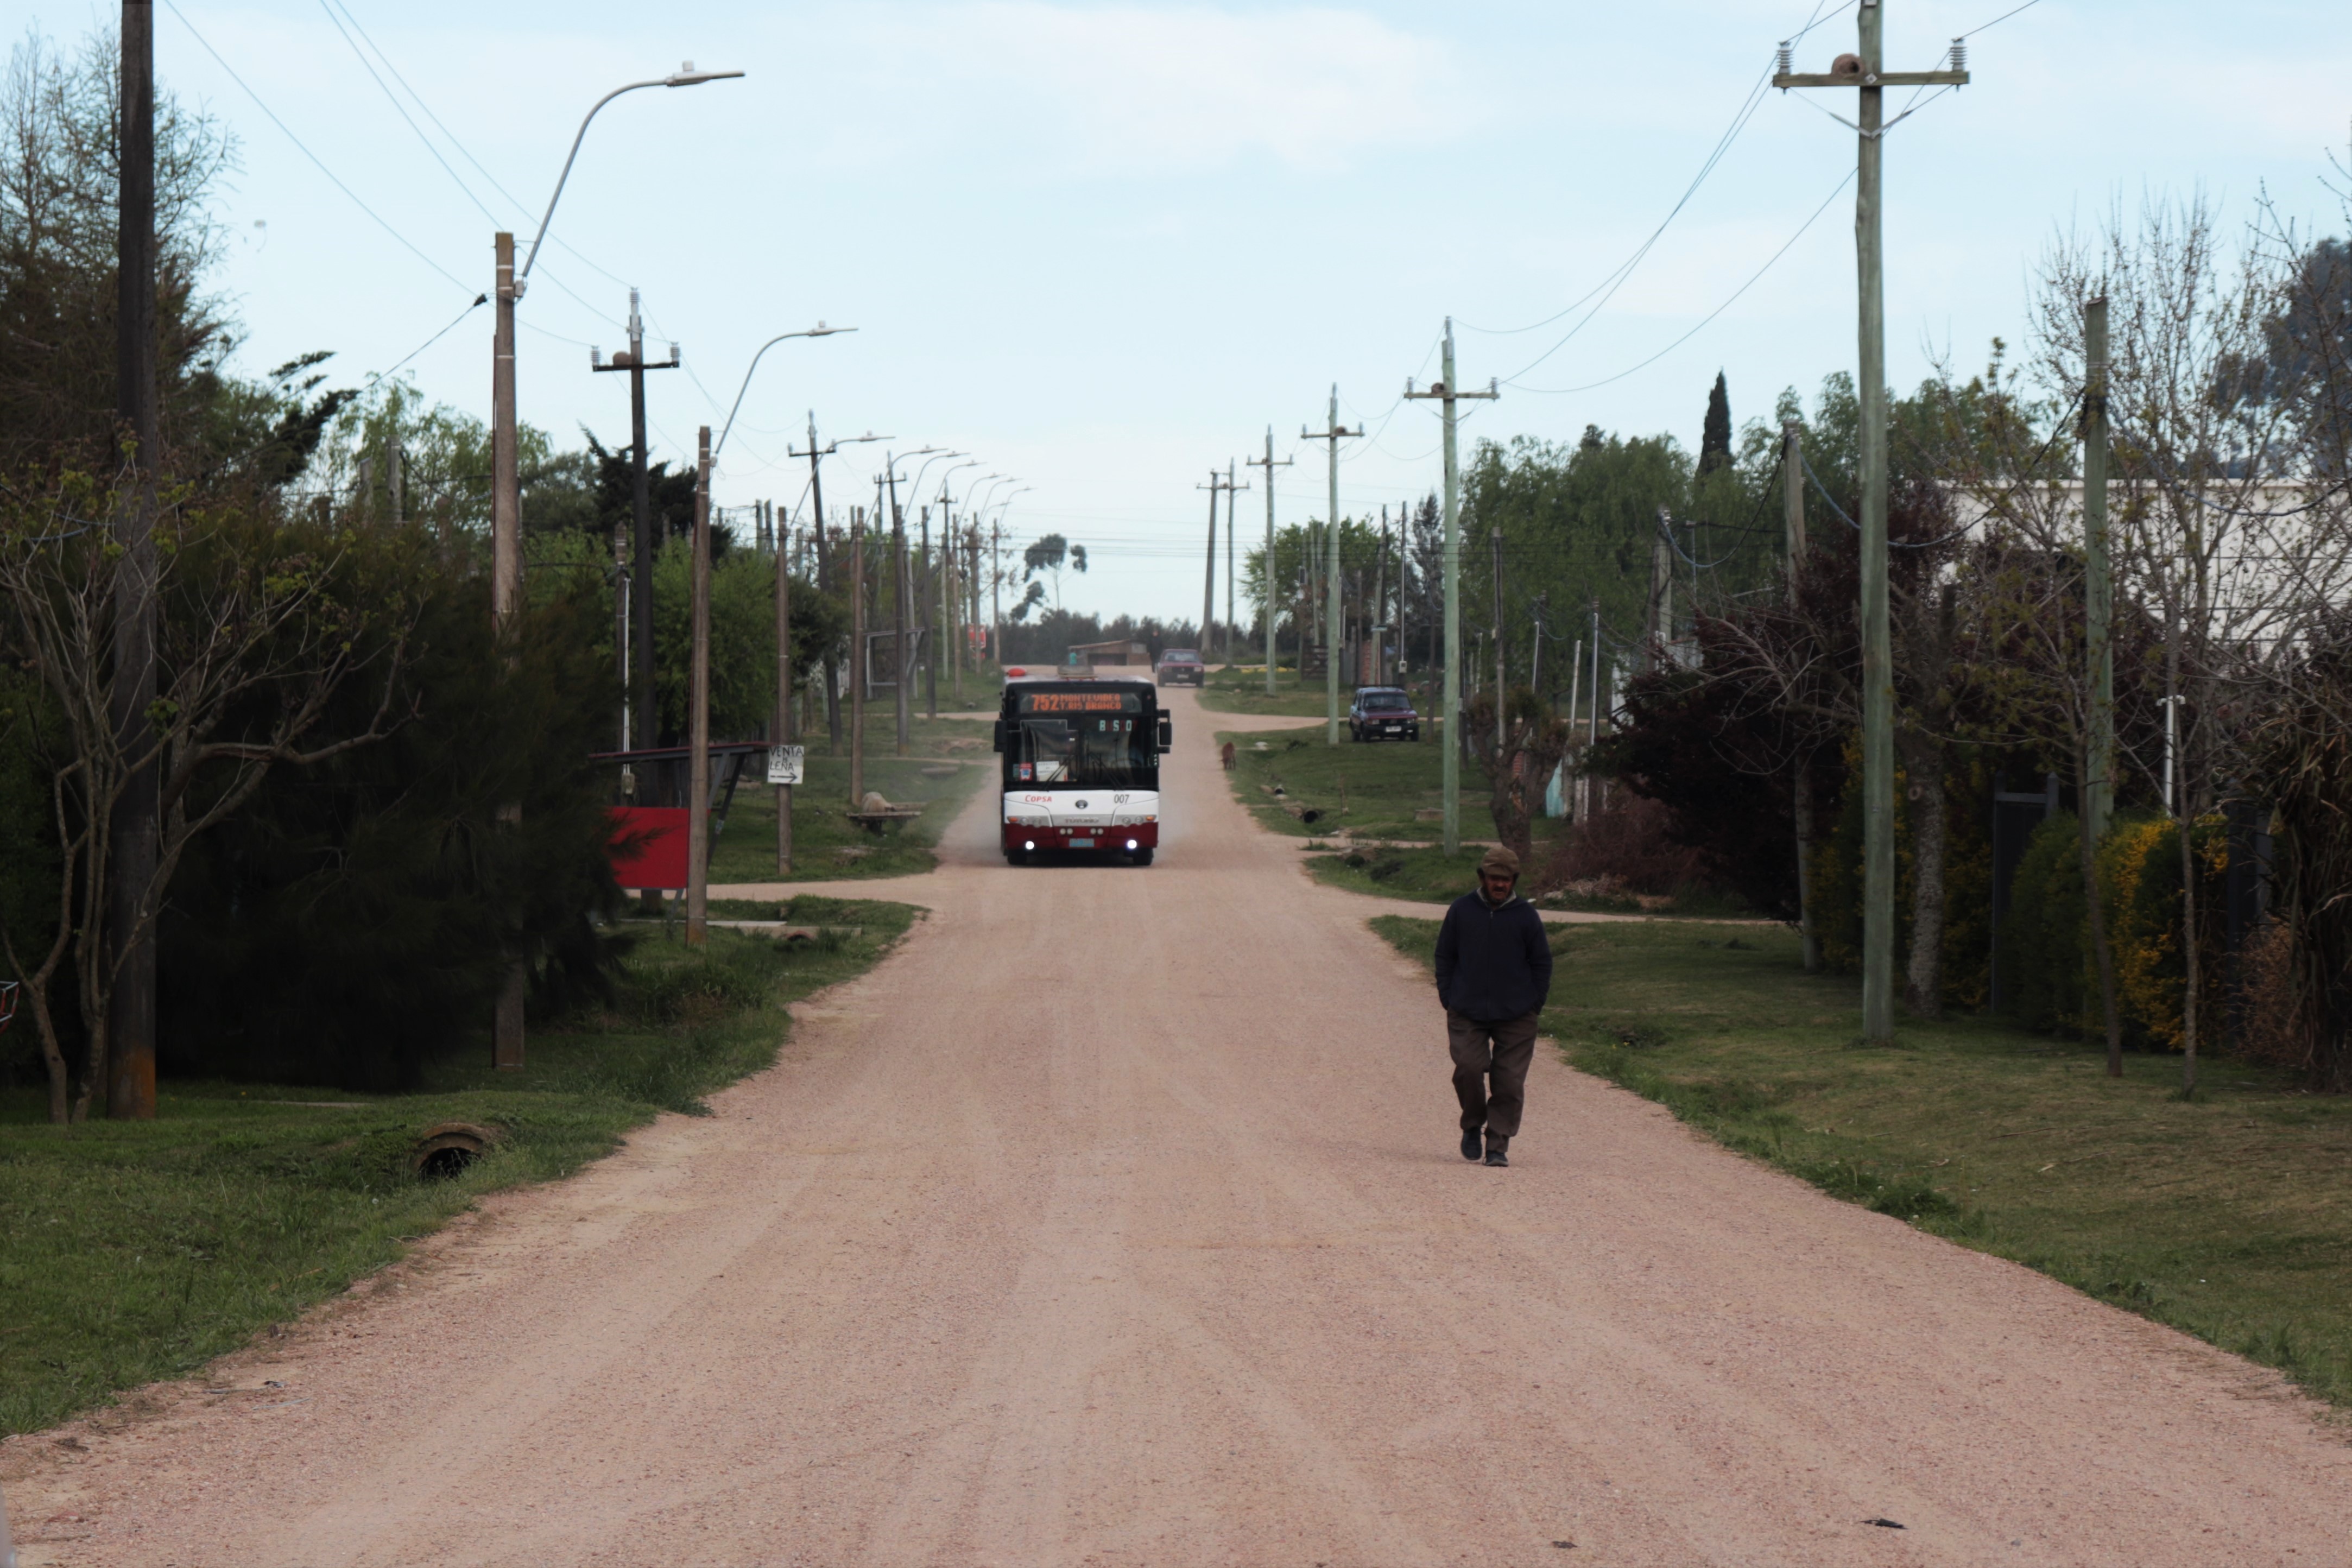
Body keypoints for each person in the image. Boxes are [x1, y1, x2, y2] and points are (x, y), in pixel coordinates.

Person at [1433, 845, 1552, 1167]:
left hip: (1517, 1013)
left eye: (1506, 879)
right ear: (1482, 878)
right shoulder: (1462, 910)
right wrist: (1449, 996)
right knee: (1469, 1069)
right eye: (1493, 878)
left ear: (1514, 880)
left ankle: (1498, 1145)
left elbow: (1541, 962)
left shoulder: (1526, 916)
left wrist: (1534, 1003)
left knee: (1509, 1082)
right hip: (1467, 1010)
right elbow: (1445, 956)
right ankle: (1473, 1124)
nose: (1499, 885)